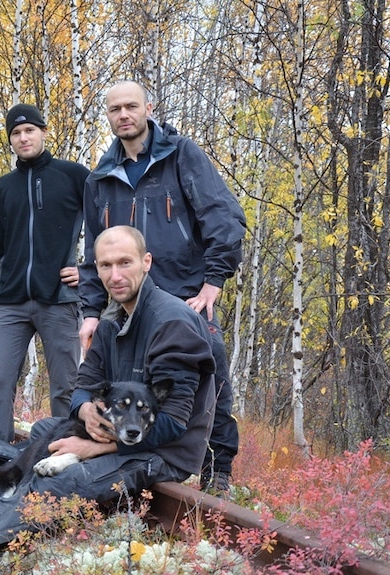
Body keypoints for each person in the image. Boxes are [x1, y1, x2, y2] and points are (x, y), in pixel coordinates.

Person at [0, 226, 217, 564]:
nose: (115, 275)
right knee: (45, 434)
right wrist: (84, 414)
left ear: (146, 262)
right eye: (105, 266)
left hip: (162, 453)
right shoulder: (111, 322)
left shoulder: (172, 323)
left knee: (55, 482)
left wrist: (94, 447)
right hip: (117, 434)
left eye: (125, 263)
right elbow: (83, 388)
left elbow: (172, 424)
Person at [79, 81, 247, 495]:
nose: (124, 115)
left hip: (185, 293)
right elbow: (93, 250)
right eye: (115, 108)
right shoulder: (100, 177)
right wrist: (89, 310)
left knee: (212, 378)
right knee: (135, 386)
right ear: (108, 114)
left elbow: (223, 216)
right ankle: (138, 459)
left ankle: (217, 469)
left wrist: (213, 281)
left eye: (131, 106)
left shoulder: (181, 156)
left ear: (148, 108)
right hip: (127, 302)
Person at [0, 103, 88, 442]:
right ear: (10, 140)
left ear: (43, 132)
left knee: (65, 388)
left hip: (59, 300)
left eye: (29, 130)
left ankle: (64, 461)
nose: (24, 138)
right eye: (16, 133)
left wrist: (90, 270)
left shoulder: (73, 175)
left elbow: (107, 224)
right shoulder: (4, 187)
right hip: (8, 302)